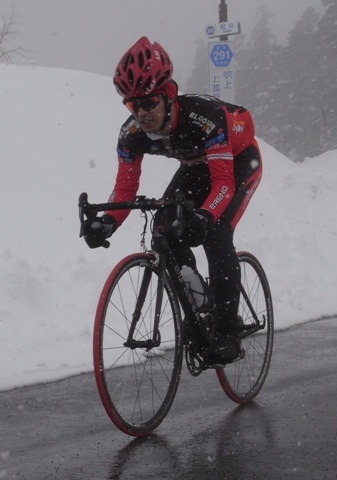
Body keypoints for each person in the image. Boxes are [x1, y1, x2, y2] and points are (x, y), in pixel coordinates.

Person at [83, 36, 263, 366]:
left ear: (167, 96)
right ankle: (199, 302)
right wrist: (107, 221)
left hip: (237, 163)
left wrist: (205, 217)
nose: (141, 113)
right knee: (163, 227)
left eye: (149, 103)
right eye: (132, 105)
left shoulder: (204, 119)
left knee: (216, 230)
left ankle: (227, 329)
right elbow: (124, 191)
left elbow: (223, 183)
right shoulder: (131, 135)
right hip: (197, 166)